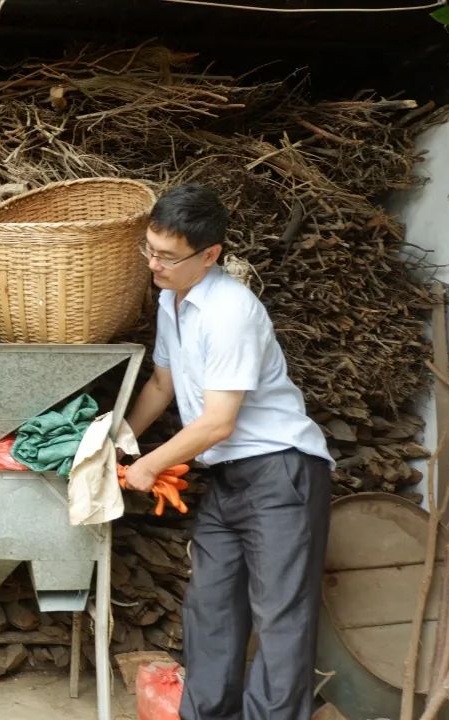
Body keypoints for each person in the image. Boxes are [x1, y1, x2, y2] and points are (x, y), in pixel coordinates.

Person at [122, 184, 333, 720]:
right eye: (149, 249)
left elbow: (217, 422)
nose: (154, 264)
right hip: (230, 479)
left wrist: (149, 463)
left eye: (167, 256)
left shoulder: (230, 311)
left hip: (281, 472)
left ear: (210, 254)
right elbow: (160, 386)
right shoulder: (172, 302)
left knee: (280, 618)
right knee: (210, 609)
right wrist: (116, 440)